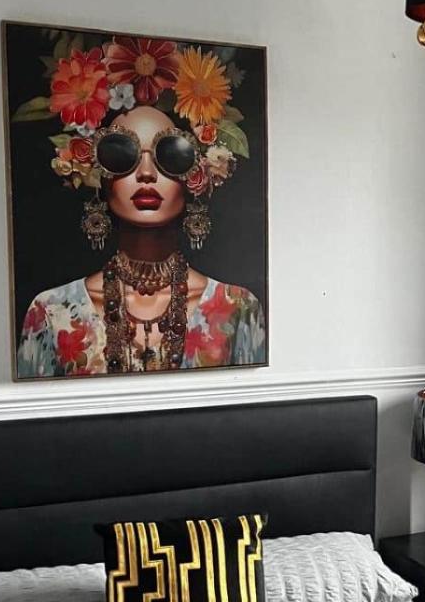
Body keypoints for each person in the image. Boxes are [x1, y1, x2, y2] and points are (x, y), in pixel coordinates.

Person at [15, 36, 265, 377]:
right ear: (99, 176)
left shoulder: (238, 309)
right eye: (122, 155)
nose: (146, 173)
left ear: (195, 175)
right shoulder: (51, 312)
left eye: (170, 155)